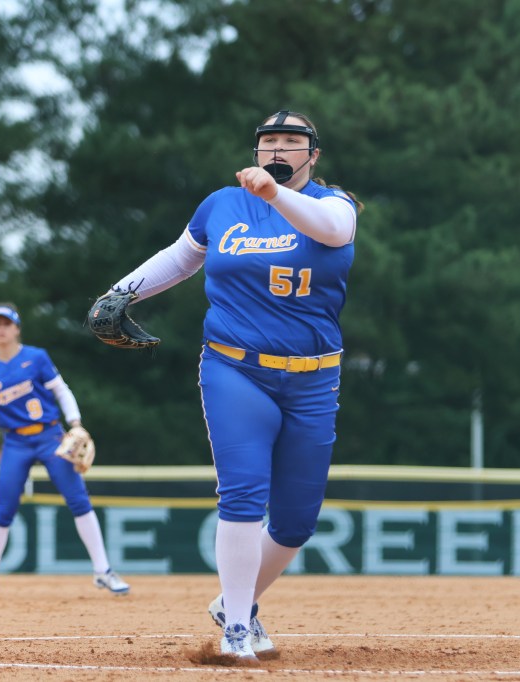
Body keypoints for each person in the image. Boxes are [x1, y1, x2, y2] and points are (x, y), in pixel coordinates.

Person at [99, 110, 362, 659]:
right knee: (242, 493)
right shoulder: (222, 205)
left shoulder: (334, 204)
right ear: (256, 151)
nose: (278, 149)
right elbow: (181, 259)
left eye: (292, 141)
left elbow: (333, 232)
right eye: (269, 141)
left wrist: (274, 194)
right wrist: (121, 292)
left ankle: (230, 603)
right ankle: (238, 629)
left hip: (314, 378)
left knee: (295, 522)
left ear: (313, 155)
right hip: (234, 367)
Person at [0, 302, 130, 600]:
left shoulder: (35, 357)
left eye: (7, 324)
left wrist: (75, 423)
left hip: (50, 436)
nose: (1, 329)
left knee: (79, 500)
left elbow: (61, 390)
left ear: (17, 329)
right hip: (15, 442)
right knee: (4, 509)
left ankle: (103, 570)